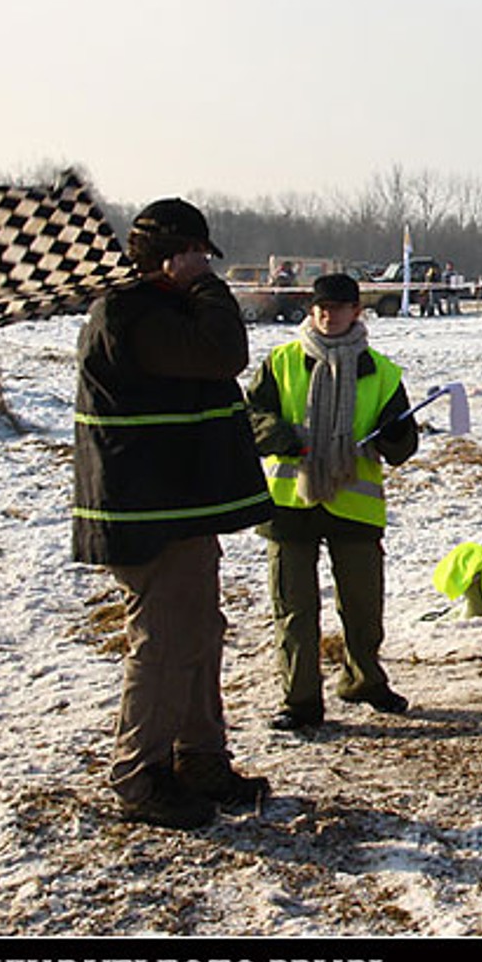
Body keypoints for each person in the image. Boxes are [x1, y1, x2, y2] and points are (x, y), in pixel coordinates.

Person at [74, 197, 276, 829]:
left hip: (176, 505)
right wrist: (208, 290)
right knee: (163, 642)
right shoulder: (132, 314)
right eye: (197, 256)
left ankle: (200, 758)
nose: (204, 267)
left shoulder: (151, 309)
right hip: (150, 512)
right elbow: (222, 352)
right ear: (174, 256)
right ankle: (141, 774)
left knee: (198, 632)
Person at [247, 273, 420, 730]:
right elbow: (251, 416)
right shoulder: (281, 362)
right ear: (312, 310)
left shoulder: (382, 372)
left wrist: (396, 434)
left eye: (339, 308)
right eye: (322, 308)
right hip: (290, 504)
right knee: (294, 609)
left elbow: (402, 447)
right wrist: (281, 437)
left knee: (363, 607)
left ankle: (364, 681)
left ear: (356, 312)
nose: (329, 315)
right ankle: (300, 701)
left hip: (354, 505)